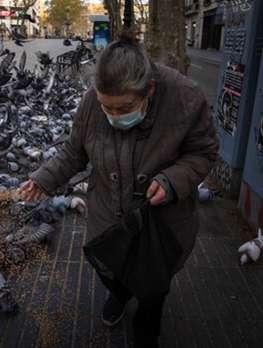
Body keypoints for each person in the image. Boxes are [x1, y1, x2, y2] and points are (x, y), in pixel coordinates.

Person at [18, 30, 219, 347]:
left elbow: (204, 153)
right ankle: (119, 294)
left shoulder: (186, 98)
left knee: (153, 287)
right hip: (107, 212)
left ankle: (147, 325)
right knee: (110, 270)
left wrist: (171, 180)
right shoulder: (92, 101)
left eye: (123, 107)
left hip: (161, 223)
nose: (112, 116)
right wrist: (43, 179)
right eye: (105, 107)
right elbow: (75, 150)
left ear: (149, 90)